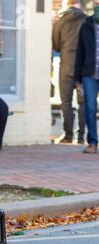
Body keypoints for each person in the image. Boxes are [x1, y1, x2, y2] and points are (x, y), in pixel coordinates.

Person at [53, 0, 86, 144]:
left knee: (65, 101)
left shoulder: (60, 21)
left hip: (66, 66)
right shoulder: (87, 21)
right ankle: (80, 137)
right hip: (82, 68)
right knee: (83, 103)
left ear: (67, 4)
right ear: (79, 3)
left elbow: (56, 45)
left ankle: (67, 136)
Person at [75, 0, 99, 154]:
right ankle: (93, 143)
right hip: (89, 74)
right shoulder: (86, 26)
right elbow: (79, 53)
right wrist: (77, 79)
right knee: (90, 107)